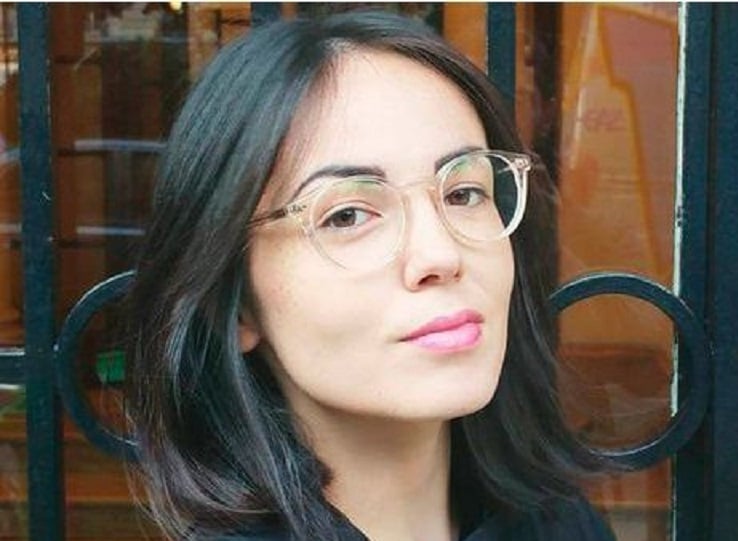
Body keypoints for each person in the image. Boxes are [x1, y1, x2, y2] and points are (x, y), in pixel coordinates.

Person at [125, 10, 616, 541]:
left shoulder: (561, 524)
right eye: (348, 215)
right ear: (236, 301)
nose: (440, 254)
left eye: (463, 192)